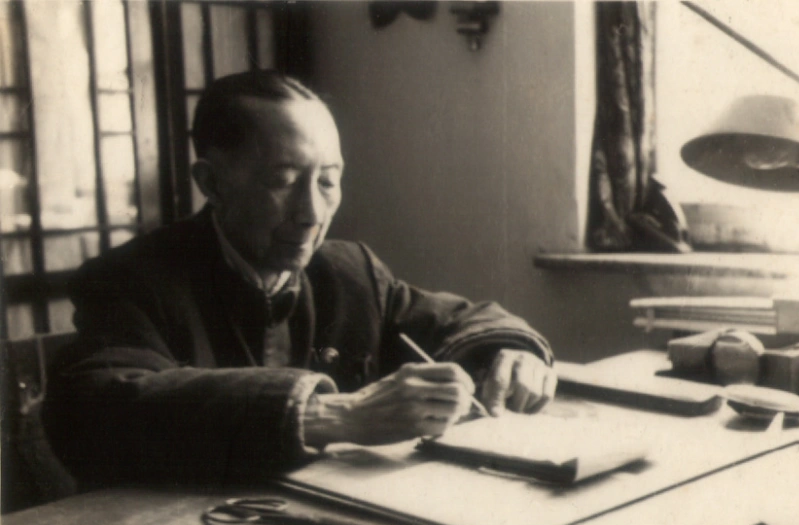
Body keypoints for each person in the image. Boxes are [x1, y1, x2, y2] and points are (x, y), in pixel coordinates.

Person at [44, 71, 557, 488]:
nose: (312, 213)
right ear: (211, 183)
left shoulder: (348, 270)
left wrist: (508, 354)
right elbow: (97, 408)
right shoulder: (130, 279)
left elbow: (457, 320)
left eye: (328, 181)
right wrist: (332, 416)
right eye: (283, 181)